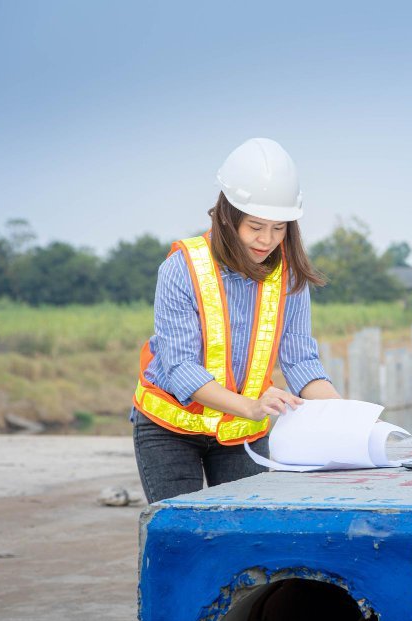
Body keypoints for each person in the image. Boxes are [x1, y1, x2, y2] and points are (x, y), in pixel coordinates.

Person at [132, 138, 341, 503]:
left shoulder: (289, 278)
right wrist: (252, 405)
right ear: (228, 216)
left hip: (242, 431)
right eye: (256, 226)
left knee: (246, 541)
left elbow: (300, 360)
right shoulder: (181, 269)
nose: (267, 240)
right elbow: (181, 367)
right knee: (180, 538)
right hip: (170, 429)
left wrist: (343, 415)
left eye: (280, 228)